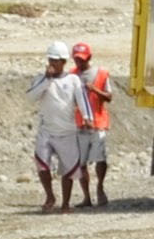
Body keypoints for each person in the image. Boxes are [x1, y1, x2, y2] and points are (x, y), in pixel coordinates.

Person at [27, 41, 93, 214]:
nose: (52, 63)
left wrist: (87, 117)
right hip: (46, 130)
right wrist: (46, 80)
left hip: (67, 132)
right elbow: (31, 97)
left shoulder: (73, 80)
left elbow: (82, 100)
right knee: (42, 164)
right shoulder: (41, 79)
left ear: (63, 61)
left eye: (56, 60)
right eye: (50, 60)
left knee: (68, 169)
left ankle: (65, 203)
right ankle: (50, 196)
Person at [70, 41, 113, 207]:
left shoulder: (101, 74)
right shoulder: (71, 75)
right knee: (81, 163)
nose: (79, 62)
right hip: (79, 124)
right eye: (76, 59)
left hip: (98, 123)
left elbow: (109, 97)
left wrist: (94, 89)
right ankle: (86, 197)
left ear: (89, 57)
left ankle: (100, 187)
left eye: (81, 59)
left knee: (100, 159)